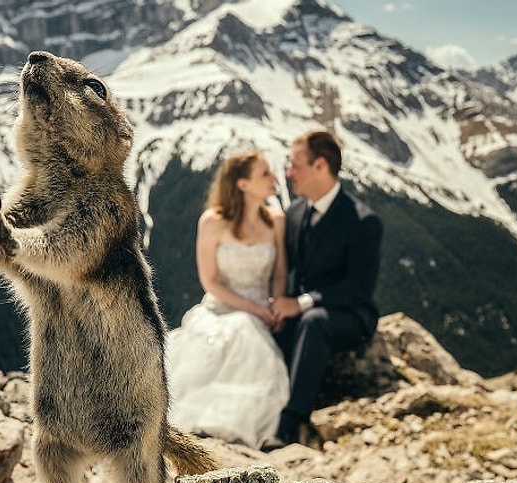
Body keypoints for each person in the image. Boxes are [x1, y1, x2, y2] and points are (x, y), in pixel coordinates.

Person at [164, 150, 291, 449]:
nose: (275, 178)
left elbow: (281, 272)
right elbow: (210, 280)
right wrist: (254, 310)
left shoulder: (276, 220)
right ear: (242, 184)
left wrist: (277, 304)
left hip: (262, 309)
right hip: (221, 307)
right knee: (228, 335)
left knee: (248, 341)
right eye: (265, 174)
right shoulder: (212, 221)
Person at [269, 130, 383, 448]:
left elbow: (359, 287)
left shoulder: (363, 221)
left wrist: (302, 303)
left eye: (294, 165)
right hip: (305, 314)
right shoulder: (294, 214)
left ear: (320, 166)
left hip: (349, 315)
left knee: (313, 321)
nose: (288, 173)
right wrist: (276, 305)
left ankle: (290, 425)